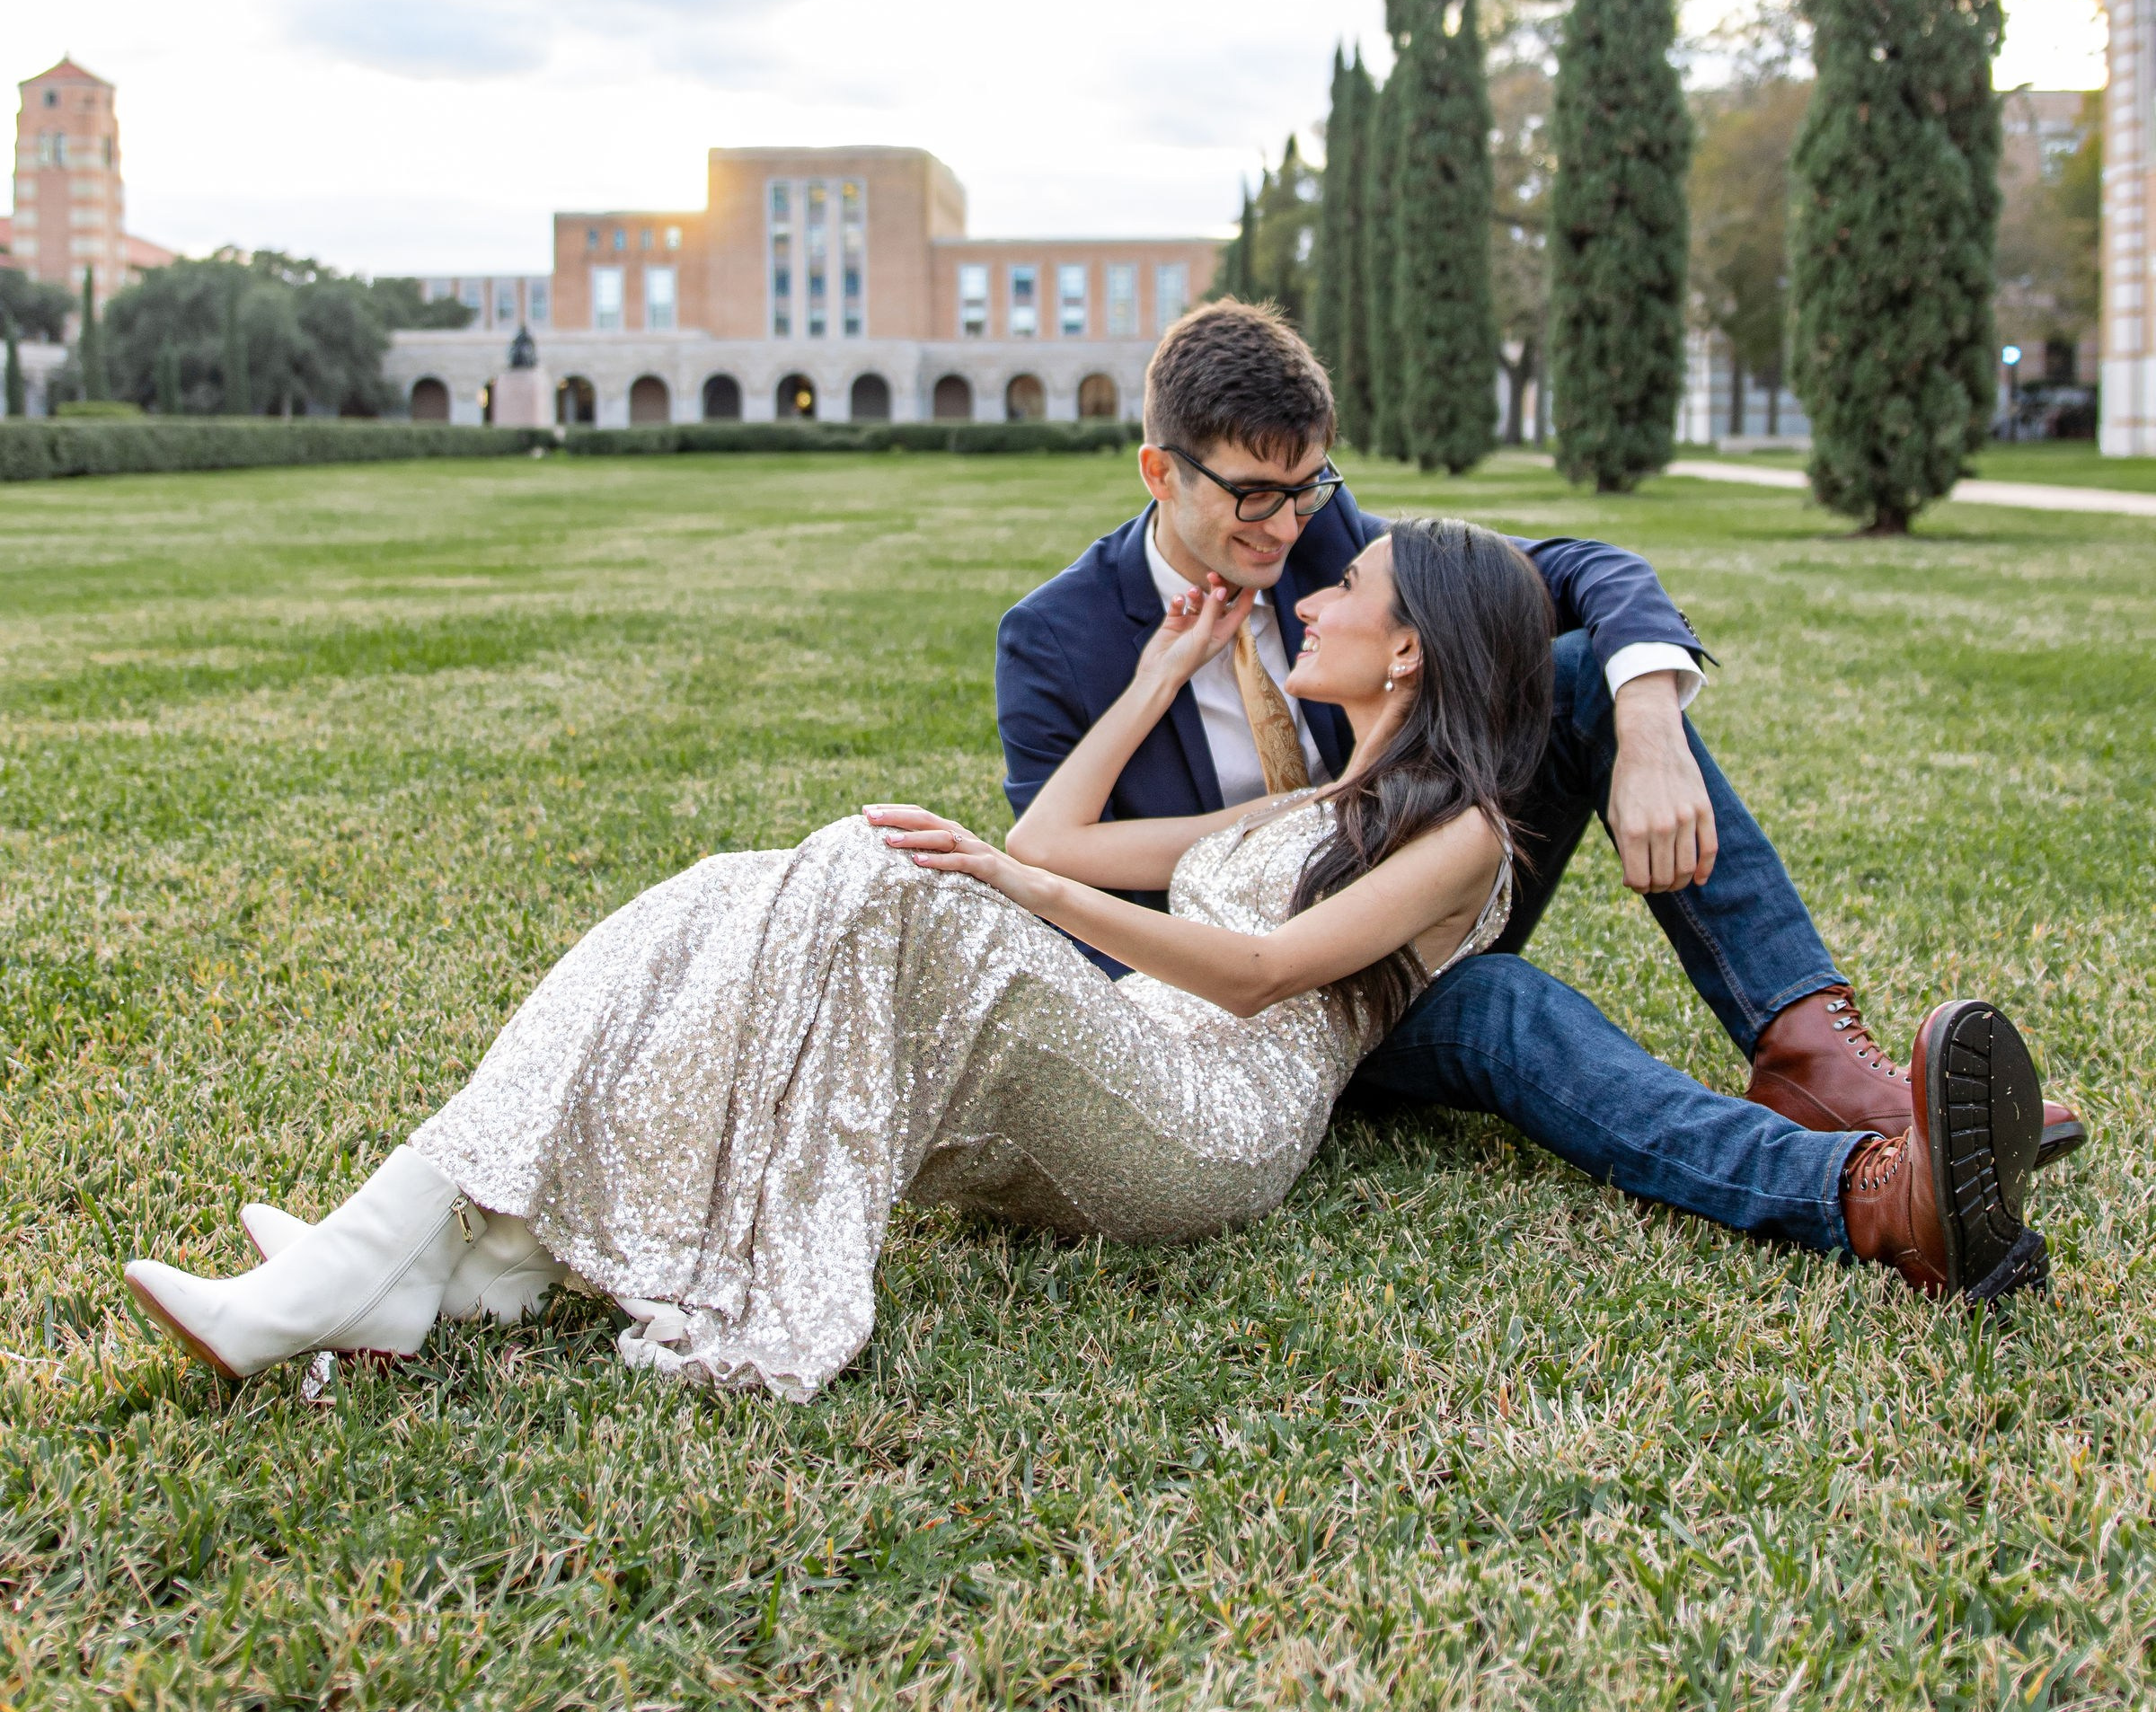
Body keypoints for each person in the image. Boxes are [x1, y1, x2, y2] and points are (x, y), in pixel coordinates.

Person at [128, 519, 1576, 1393]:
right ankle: (434, 1252)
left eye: (1351, 589)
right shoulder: (1303, 803)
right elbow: (1061, 836)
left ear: (1407, 655)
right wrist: (1150, 680)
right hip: (1117, 1058)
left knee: (893, 877)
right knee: (729, 890)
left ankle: (413, 1268)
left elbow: (1259, 978)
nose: (1314, 597)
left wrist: (1008, 885)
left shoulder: (1468, 844)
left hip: (1206, 1131)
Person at [995, 298, 2074, 1293]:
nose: (1289, 535)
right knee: (1502, 1014)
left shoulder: (1336, 543)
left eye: (1308, 490)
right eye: (1252, 497)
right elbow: (1058, 876)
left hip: (1417, 883)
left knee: (1578, 676)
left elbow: (1584, 570)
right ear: (1160, 471)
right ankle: (1872, 1195)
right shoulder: (1055, 640)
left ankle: (1812, 1056)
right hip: (1247, 981)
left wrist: (1649, 725)